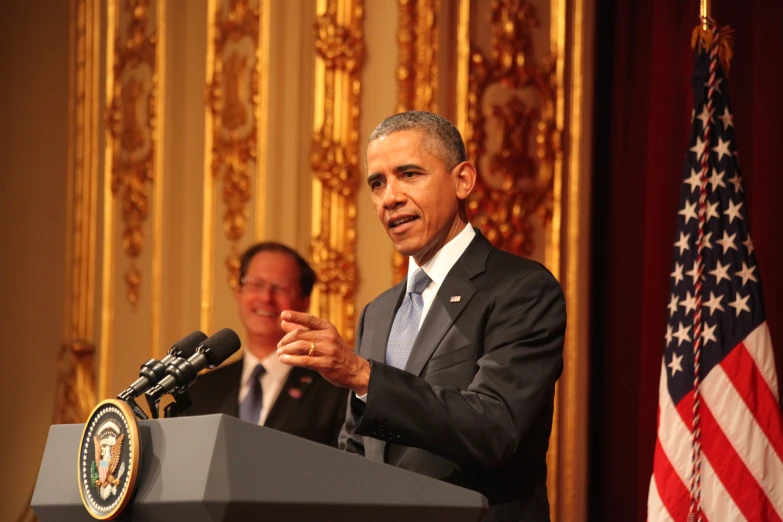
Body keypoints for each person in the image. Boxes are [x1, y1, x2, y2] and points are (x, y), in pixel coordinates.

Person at [276, 111, 566, 521]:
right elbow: (358, 449)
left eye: (409, 174)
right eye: (377, 183)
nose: (389, 197)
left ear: (462, 180)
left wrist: (363, 375)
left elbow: (493, 427)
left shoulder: (521, 290)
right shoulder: (377, 313)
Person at [185, 242, 348, 447]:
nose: (266, 298)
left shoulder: (333, 390)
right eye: (256, 284)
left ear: (305, 301)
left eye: (280, 288)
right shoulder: (201, 390)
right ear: (239, 292)